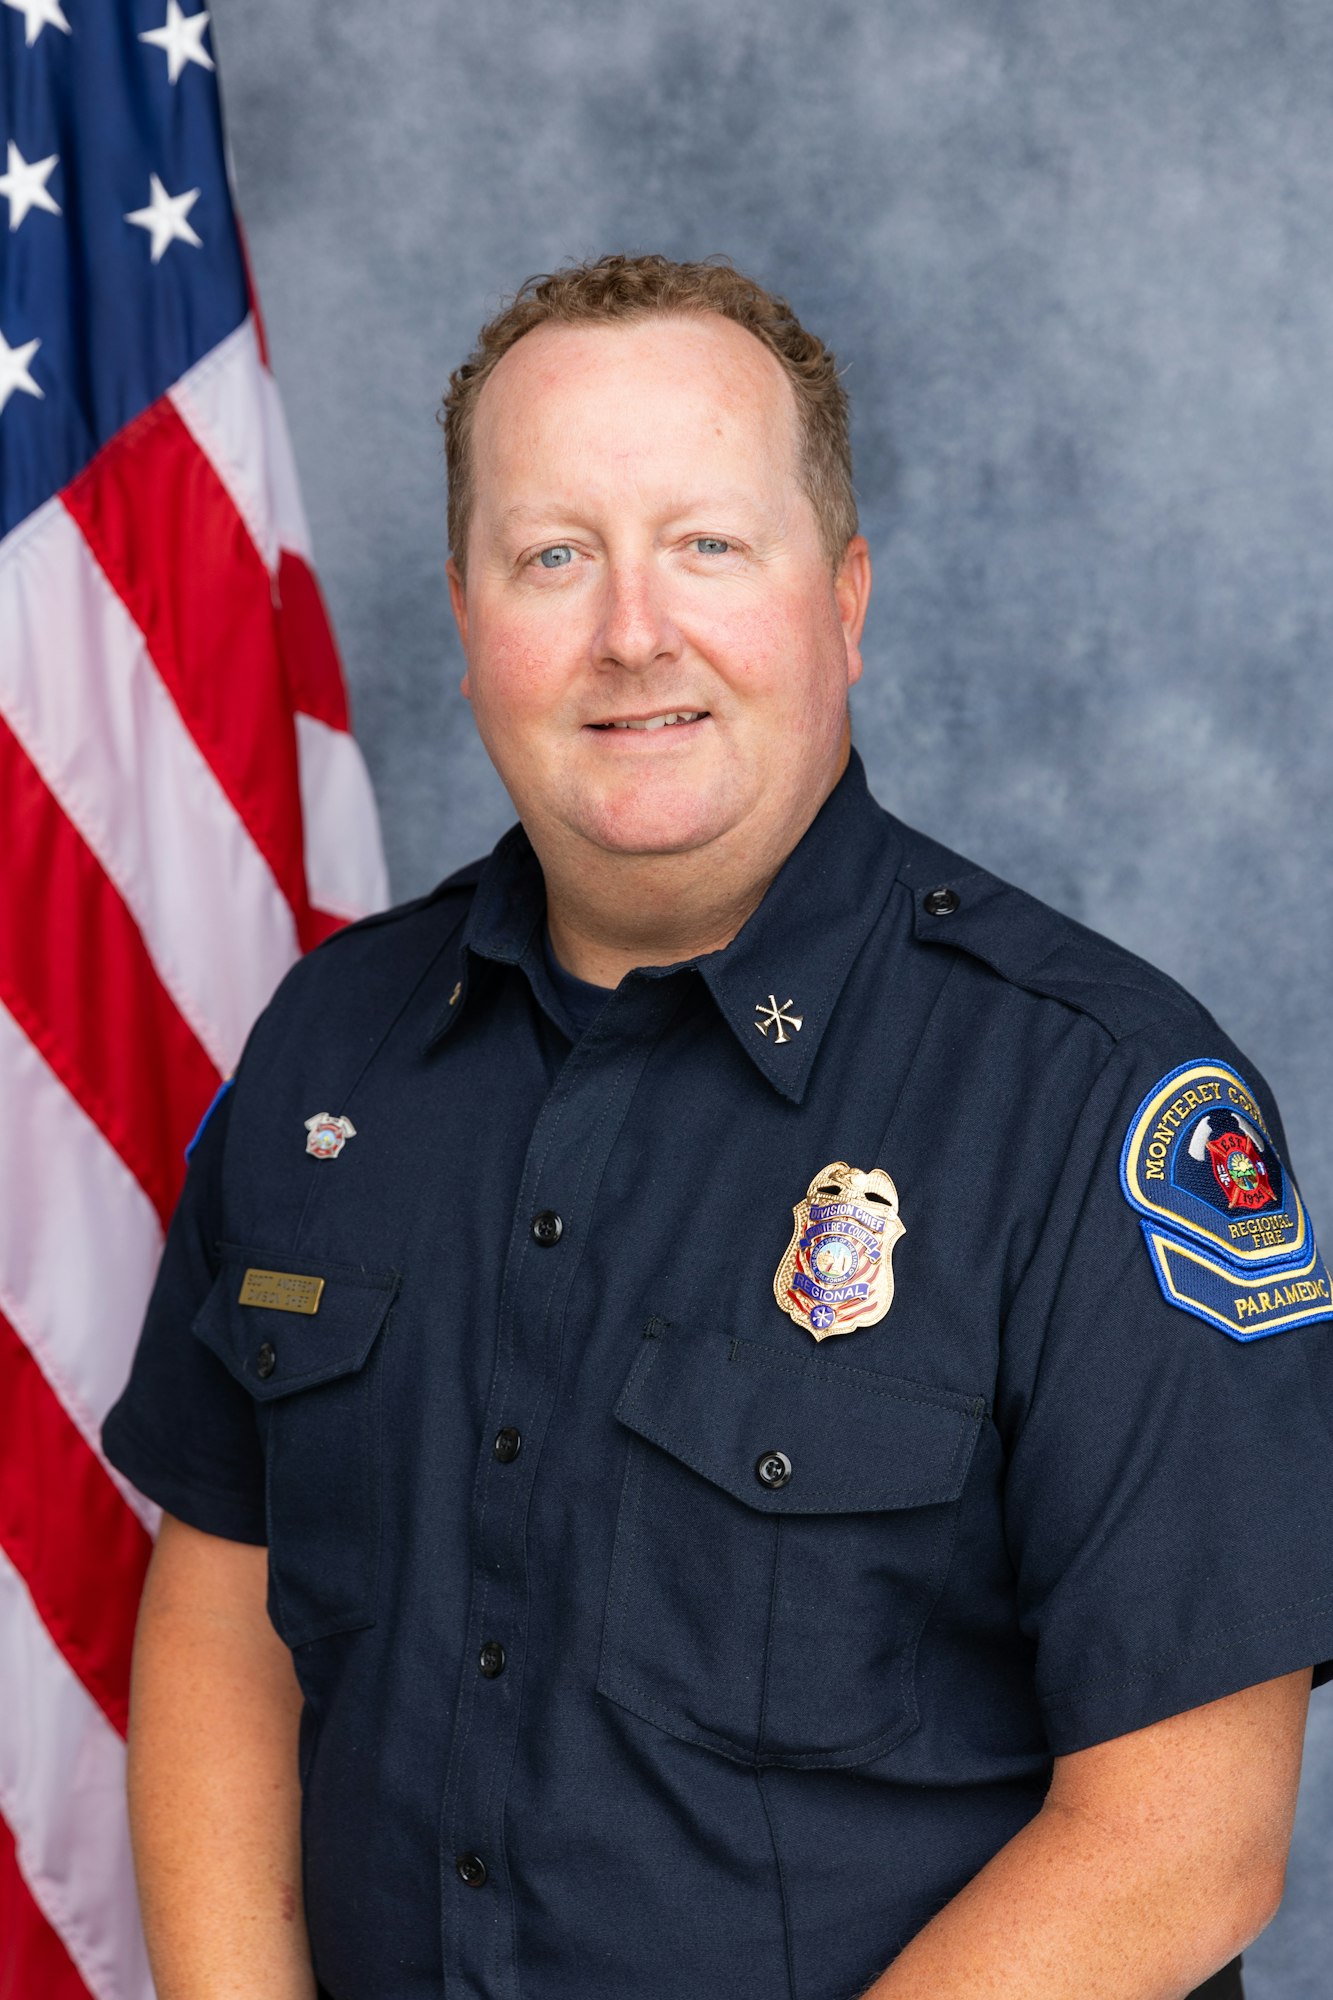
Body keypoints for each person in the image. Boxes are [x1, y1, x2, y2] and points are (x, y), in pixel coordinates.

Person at [103, 253, 1333, 2000]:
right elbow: (227, 1617)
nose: (631, 632)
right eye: (553, 554)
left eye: (706, 544)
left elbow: (1183, 1841)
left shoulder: (1090, 1100)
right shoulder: (332, 1050)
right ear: (462, 616)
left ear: (842, 599)